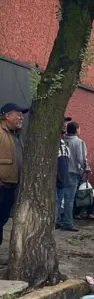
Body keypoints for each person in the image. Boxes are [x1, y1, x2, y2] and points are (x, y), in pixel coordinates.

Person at [0, 103, 27, 246]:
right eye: (18, 114)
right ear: (7, 116)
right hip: (2, 184)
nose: (21, 118)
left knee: (3, 218)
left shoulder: (16, 135)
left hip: (10, 186)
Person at [61, 121, 90, 231]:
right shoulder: (79, 142)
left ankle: (57, 220)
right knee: (69, 199)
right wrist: (86, 168)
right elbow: (81, 158)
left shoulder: (62, 140)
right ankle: (68, 222)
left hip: (61, 172)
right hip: (72, 172)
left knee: (59, 197)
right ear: (77, 129)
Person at [55, 117, 72, 229]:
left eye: (66, 123)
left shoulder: (65, 145)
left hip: (63, 179)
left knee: (58, 202)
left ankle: (55, 221)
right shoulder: (52, 144)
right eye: (63, 122)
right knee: (55, 202)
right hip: (55, 179)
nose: (65, 125)